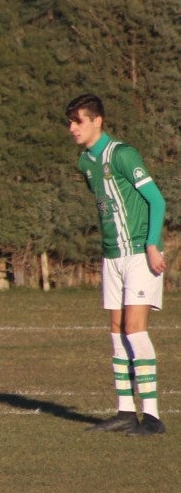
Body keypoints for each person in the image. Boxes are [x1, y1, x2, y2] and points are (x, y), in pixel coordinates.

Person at [67, 94, 167, 436]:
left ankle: (152, 418)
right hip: (112, 256)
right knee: (116, 329)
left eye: (78, 121)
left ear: (97, 121)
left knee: (135, 328)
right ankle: (126, 411)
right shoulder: (85, 163)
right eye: (70, 122)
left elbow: (156, 199)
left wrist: (152, 244)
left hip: (140, 253)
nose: (72, 128)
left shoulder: (123, 155)